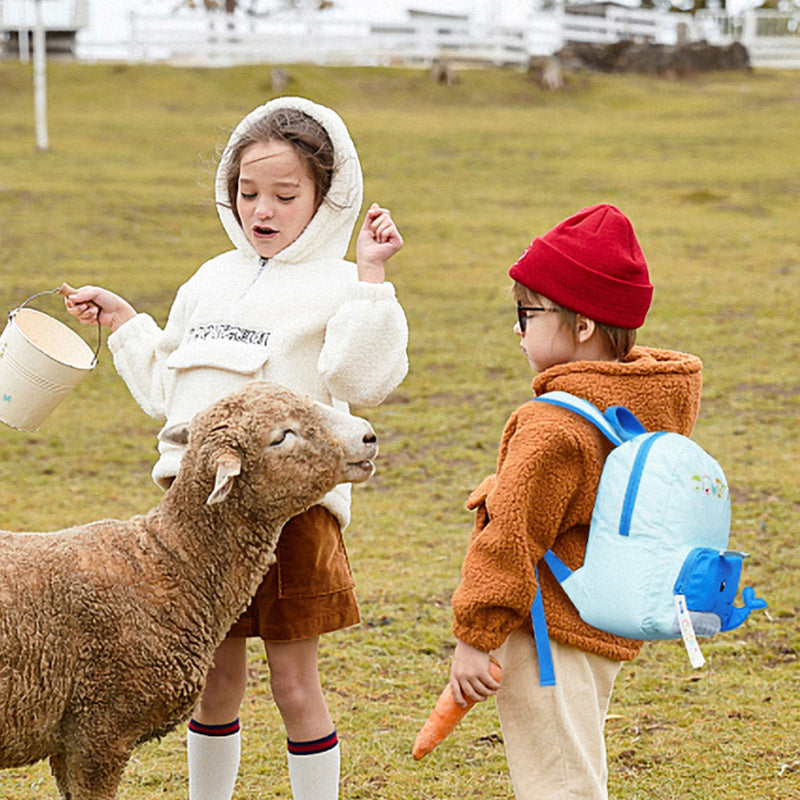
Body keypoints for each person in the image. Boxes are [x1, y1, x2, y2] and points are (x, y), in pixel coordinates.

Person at [64, 96, 408, 800]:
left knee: (292, 682)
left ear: (326, 198)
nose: (264, 209)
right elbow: (171, 389)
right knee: (210, 679)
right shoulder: (210, 279)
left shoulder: (338, 284)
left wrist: (371, 280)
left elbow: (363, 380)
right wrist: (126, 322)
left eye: (286, 194)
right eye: (249, 192)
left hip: (291, 518)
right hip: (196, 518)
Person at [447, 204, 703, 800]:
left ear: (582, 324)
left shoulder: (551, 426)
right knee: (577, 769)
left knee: (558, 784)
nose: (517, 328)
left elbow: (510, 535)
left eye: (527, 312)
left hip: (546, 629)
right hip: (602, 620)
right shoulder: (646, 401)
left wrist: (474, 637)